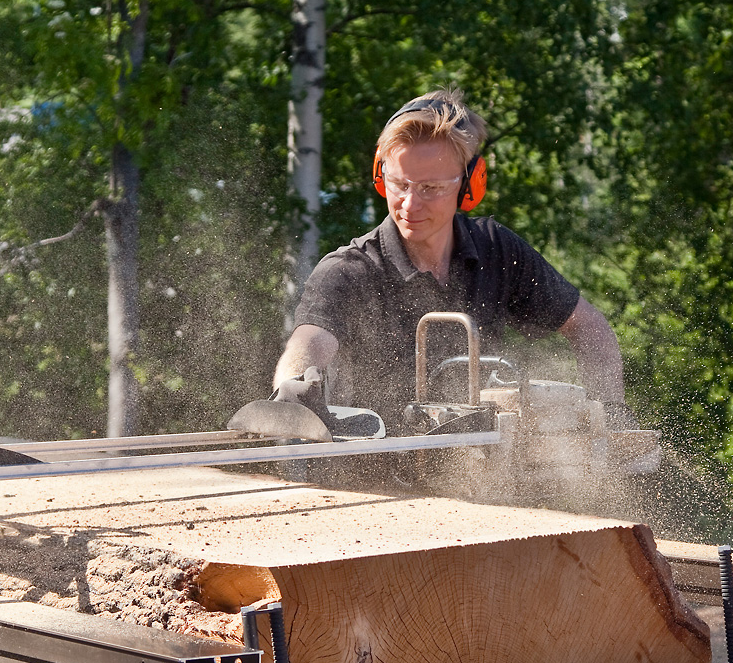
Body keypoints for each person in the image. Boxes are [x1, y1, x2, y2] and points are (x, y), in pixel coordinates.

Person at [271, 90, 634, 430]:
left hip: (486, 469)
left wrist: (609, 415)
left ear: (468, 185)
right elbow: (309, 341)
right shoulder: (350, 271)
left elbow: (589, 328)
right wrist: (294, 386)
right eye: (400, 184)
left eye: (430, 188)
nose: (410, 204)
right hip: (375, 480)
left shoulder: (497, 250)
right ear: (380, 177)